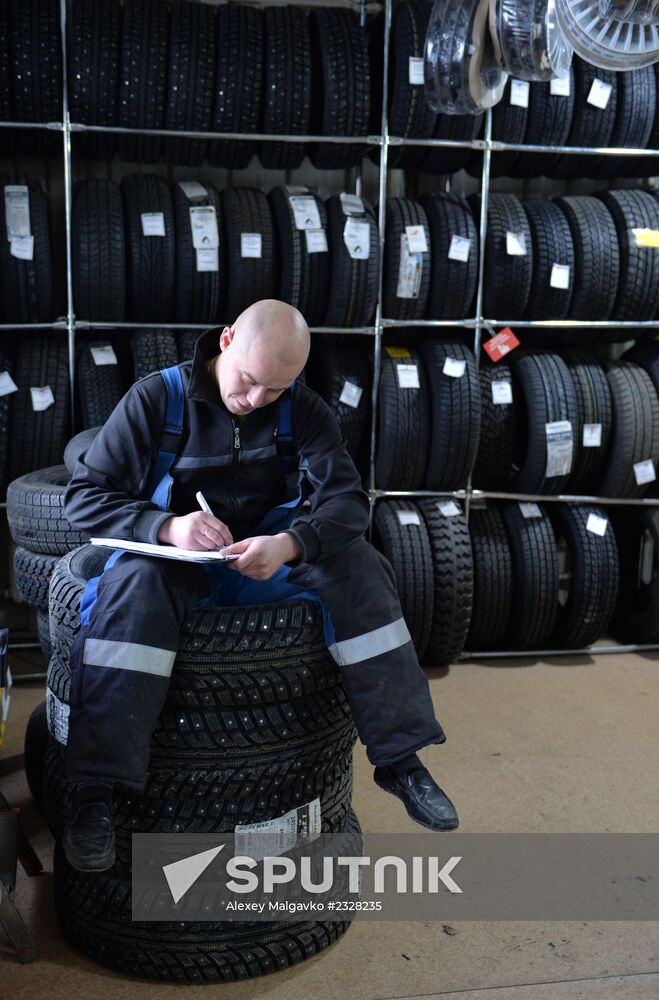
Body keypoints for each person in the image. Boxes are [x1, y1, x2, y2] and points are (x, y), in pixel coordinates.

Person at [62, 299, 458, 872]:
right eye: (249, 381)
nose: (256, 401)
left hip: (264, 563)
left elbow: (347, 503)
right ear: (225, 341)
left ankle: (401, 759)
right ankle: (95, 791)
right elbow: (85, 496)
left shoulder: (305, 409)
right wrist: (167, 526)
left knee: (361, 568)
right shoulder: (156, 399)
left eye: (275, 390)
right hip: (175, 564)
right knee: (132, 592)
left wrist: (291, 545)